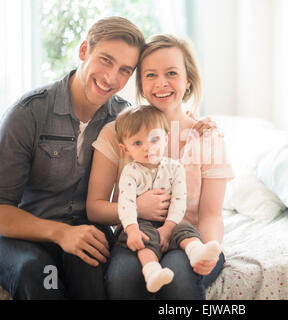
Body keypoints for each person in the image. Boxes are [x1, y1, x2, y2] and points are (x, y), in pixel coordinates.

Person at [0, 16, 145, 299]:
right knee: (35, 271)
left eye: (124, 70)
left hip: (85, 231)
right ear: (84, 51)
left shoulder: (123, 118)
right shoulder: (27, 113)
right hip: (22, 234)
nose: (111, 78)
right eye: (105, 60)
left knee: (93, 271)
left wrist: (189, 125)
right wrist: (60, 233)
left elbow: (156, 145)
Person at [86, 34, 234, 299]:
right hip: (135, 236)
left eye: (172, 73)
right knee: (123, 279)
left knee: (178, 278)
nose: (161, 83)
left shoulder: (208, 137)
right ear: (141, 82)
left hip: (190, 241)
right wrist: (137, 208)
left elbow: (211, 215)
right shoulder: (115, 133)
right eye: (150, 75)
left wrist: (210, 249)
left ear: (188, 80)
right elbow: (95, 207)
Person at [113, 105, 222, 293]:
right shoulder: (130, 172)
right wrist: (131, 229)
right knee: (144, 238)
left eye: (154, 139)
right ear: (125, 149)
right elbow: (126, 204)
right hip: (140, 225)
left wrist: (169, 228)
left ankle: (196, 252)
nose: (148, 147)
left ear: (166, 138)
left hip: (171, 224)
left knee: (185, 229)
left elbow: (179, 200)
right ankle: (152, 270)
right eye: (137, 143)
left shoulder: (175, 168)